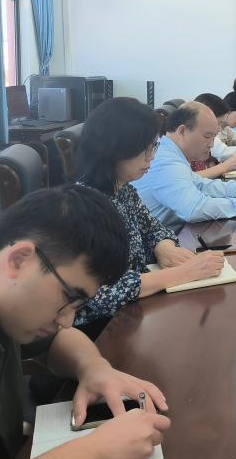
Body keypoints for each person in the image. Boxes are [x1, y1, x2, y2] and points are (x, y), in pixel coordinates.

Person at [0, 185, 171, 459]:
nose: (67, 320)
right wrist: (91, 457)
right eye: (69, 298)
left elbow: (60, 339)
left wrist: (94, 368)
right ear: (19, 260)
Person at [72, 98, 225, 334]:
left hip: (136, 311)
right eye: (145, 149)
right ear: (115, 148)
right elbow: (98, 295)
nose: (151, 157)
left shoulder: (123, 189)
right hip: (103, 329)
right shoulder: (85, 207)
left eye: (154, 147)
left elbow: (154, 227)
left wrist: (163, 247)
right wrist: (183, 273)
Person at [133, 102, 236, 228]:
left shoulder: (171, 153)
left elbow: (200, 184)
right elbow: (195, 209)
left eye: (214, 137)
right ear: (182, 131)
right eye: (207, 136)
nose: (211, 144)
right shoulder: (167, 162)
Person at [192, 93, 236, 180]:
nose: (219, 129)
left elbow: (203, 182)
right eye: (218, 123)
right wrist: (223, 167)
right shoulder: (179, 157)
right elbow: (190, 179)